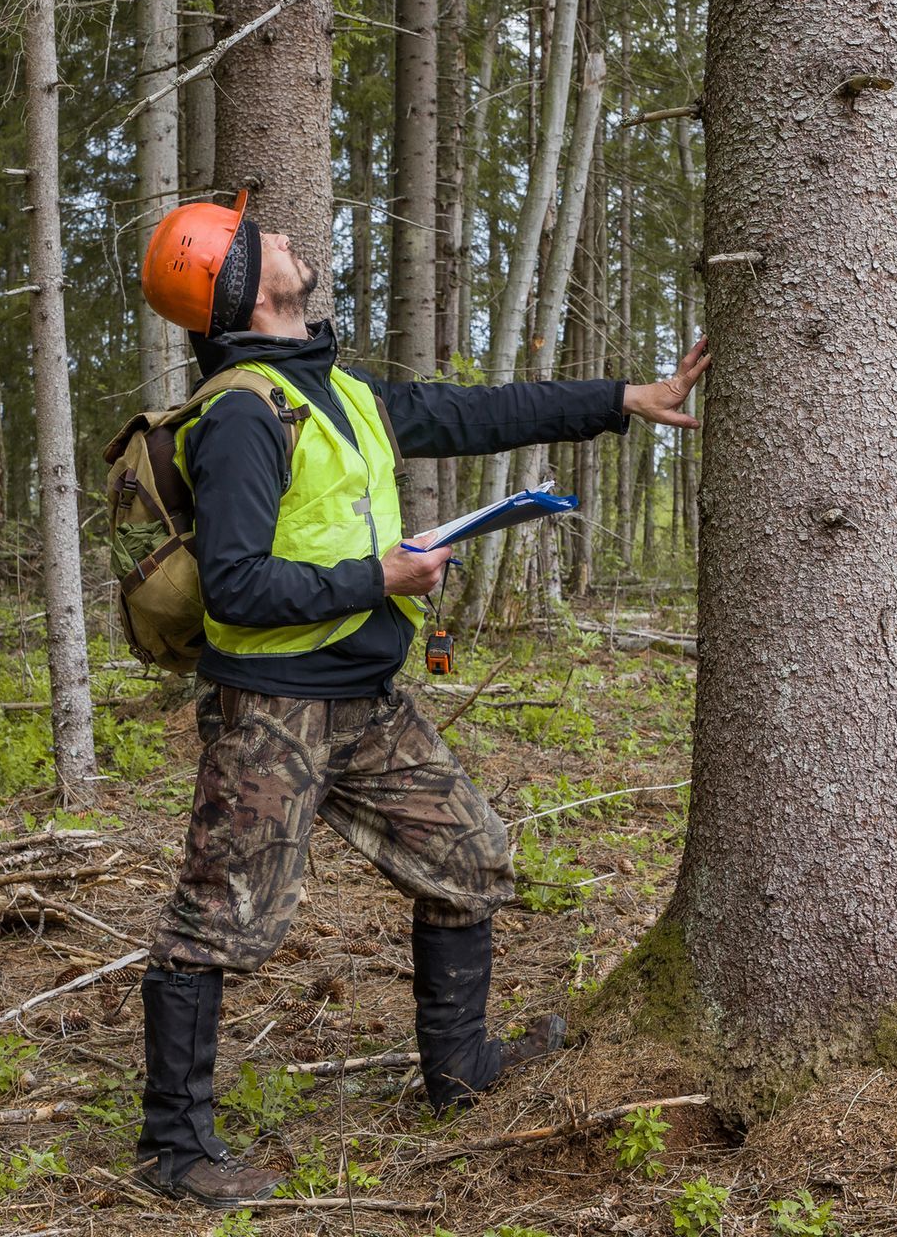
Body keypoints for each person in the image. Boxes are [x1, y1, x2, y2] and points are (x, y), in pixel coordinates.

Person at [132, 190, 709, 1207]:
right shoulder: (239, 414)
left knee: (468, 855)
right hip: (270, 709)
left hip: (362, 697)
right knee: (220, 921)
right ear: (240, 283)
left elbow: (474, 412)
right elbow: (235, 585)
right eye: (264, 238)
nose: (288, 238)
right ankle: (174, 1149)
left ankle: (459, 1072)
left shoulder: (337, 392)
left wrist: (623, 397)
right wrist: (380, 578)